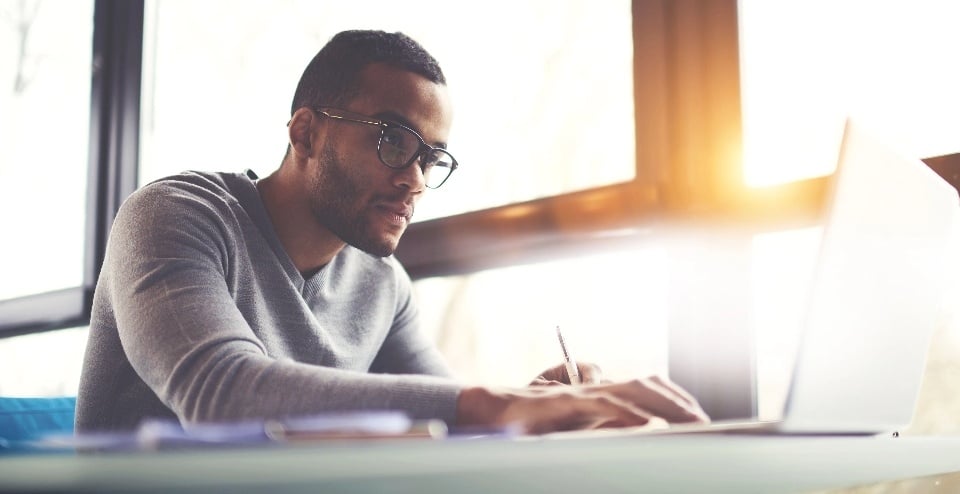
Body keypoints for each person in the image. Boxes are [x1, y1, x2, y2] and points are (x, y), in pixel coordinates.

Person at [76, 29, 708, 435]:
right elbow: (219, 392)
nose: (415, 181)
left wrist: (530, 408)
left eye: (430, 158)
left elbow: (443, 410)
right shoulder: (175, 216)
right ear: (305, 132)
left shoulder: (383, 285)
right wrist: (488, 404)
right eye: (392, 141)